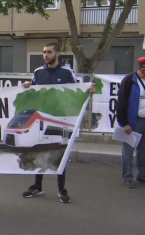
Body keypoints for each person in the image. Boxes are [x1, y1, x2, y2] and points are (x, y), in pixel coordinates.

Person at [21, 42, 94, 203]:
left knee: (60, 154)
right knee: (39, 152)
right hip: (42, 121)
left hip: (61, 121)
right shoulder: (38, 72)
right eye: (44, 52)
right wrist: (27, 86)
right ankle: (37, 186)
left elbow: (78, 90)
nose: (45, 55)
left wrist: (89, 90)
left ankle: (61, 189)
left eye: (49, 52)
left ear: (57, 54)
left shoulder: (67, 72)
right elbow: (32, 91)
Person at [116, 55, 145, 188]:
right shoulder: (129, 80)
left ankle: (142, 176)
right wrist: (125, 123)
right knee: (128, 152)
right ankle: (127, 177)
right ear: (143, 68)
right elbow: (121, 103)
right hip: (133, 122)